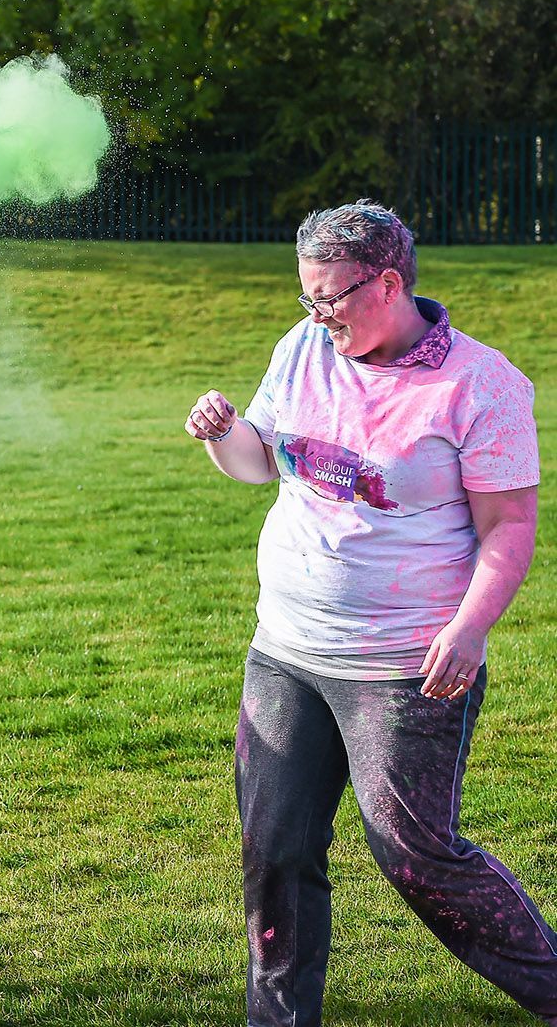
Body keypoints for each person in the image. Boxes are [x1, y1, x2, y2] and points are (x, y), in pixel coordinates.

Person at [185, 199, 554, 1027]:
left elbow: (510, 525)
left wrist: (470, 627)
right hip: (287, 648)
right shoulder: (304, 348)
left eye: (330, 297)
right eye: (306, 298)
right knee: (275, 854)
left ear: (387, 284)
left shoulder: (480, 384)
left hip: (404, 666)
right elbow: (260, 463)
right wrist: (222, 433)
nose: (316, 316)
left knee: (417, 855)